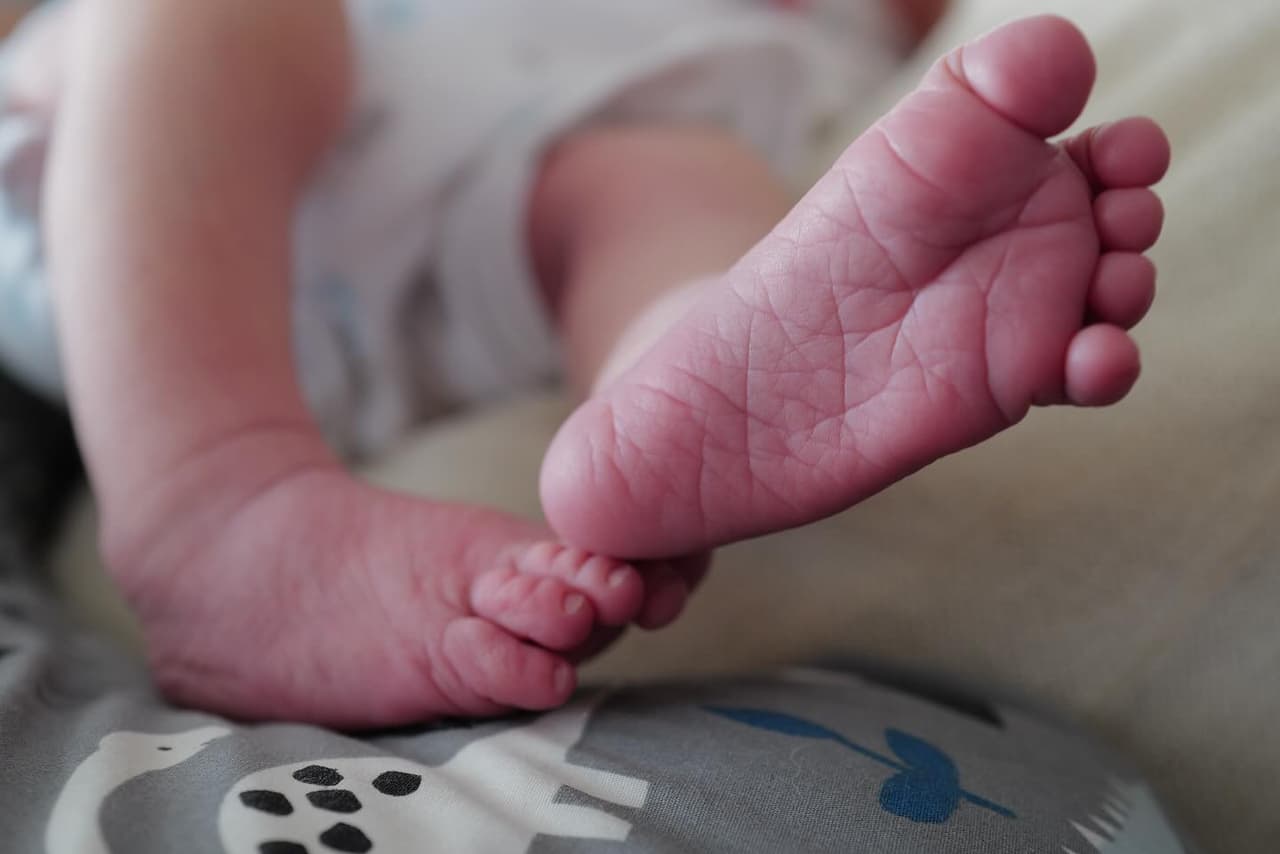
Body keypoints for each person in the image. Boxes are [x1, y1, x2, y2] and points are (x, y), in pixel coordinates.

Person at [0, 0, 1167, 728]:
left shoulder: (797, 42)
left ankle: (680, 388)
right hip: (118, 186)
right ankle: (209, 500)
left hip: (493, 205)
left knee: (668, 182)